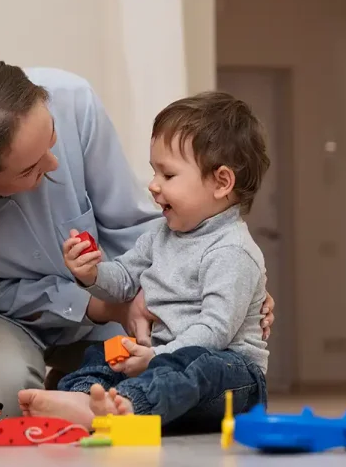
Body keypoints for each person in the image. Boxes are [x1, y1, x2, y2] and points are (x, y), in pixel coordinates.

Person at [0, 52, 276, 418]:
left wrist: (213, 289)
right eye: (29, 169)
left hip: (123, 315)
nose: (54, 164)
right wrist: (96, 302)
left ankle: (78, 394)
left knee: (148, 367)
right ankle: (66, 395)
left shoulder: (72, 99)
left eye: (52, 139)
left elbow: (136, 231)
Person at [18, 91, 270, 432]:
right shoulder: (161, 235)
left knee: (198, 367)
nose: (153, 186)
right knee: (104, 353)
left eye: (168, 175)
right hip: (163, 359)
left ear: (221, 182)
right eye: (154, 173)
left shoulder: (232, 250)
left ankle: (126, 406)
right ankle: (83, 397)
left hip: (232, 375)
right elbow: (124, 279)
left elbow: (215, 331)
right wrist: (91, 274)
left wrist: (156, 358)